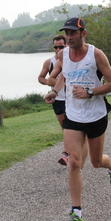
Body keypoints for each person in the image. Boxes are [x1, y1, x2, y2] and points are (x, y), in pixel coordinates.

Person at [44, 17, 111, 221]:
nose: (69, 37)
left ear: (83, 34)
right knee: (75, 163)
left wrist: (90, 92)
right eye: (66, 33)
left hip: (96, 115)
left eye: (73, 33)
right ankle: (76, 213)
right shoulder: (62, 54)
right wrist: (54, 91)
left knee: (96, 162)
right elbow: (64, 76)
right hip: (73, 116)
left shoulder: (96, 54)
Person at [38, 35, 71, 165]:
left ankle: (66, 154)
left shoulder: (71, 60)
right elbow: (40, 77)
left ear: (66, 46)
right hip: (58, 100)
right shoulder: (49, 62)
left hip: (71, 99)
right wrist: (51, 83)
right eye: (56, 47)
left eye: (61, 46)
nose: (58, 49)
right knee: (64, 127)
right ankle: (70, 151)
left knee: (72, 128)